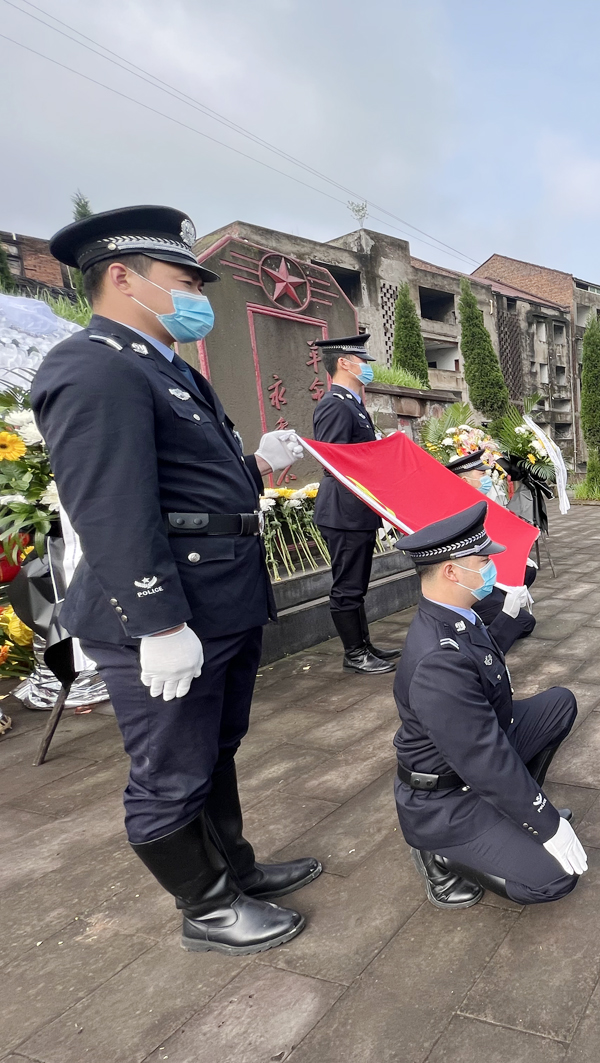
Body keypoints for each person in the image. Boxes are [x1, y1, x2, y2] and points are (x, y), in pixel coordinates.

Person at [33, 205, 319, 954]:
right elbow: (112, 505)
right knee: (171, 770)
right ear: (121, 278)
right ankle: (207, 907)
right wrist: (157, 622)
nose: (197, 293)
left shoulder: (162, 368)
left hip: (220, 600)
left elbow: (182, 487)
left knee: (214, 750)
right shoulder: (93, 365)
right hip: (167, 612)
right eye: (183, 279)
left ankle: (235, 869)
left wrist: (258, 462)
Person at [393, 502, 586, 907]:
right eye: (483, 560)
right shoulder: (437, 662)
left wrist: (511, 619)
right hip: (447, 796)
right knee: (555, 879)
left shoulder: (455, 612)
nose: (491, 568)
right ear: (451, 571)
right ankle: (442, 856)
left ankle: (510, 812)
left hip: (475, 751)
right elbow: (484, 758)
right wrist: (546, 824)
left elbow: (478, 659)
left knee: (558, 705)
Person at [310, 334, 399, 675]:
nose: (367, 367)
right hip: (343, 510)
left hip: (355, 510)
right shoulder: (335, 404)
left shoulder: (352, 403)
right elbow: (335, 461)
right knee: (347, 585)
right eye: (363, 361)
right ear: (344, 363)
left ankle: (364, 644)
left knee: (357, 583)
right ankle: (354, 654)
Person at [447, 450, 538, 653]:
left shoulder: (476, 503)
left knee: (528, 571)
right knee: (526, 623)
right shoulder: (456, 511)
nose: (487, 478)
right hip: (468, 583)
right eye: (481, 474)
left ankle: (498, 608)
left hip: (485, 573)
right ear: (464, 479)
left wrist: (519, 555)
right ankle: (478, 628)